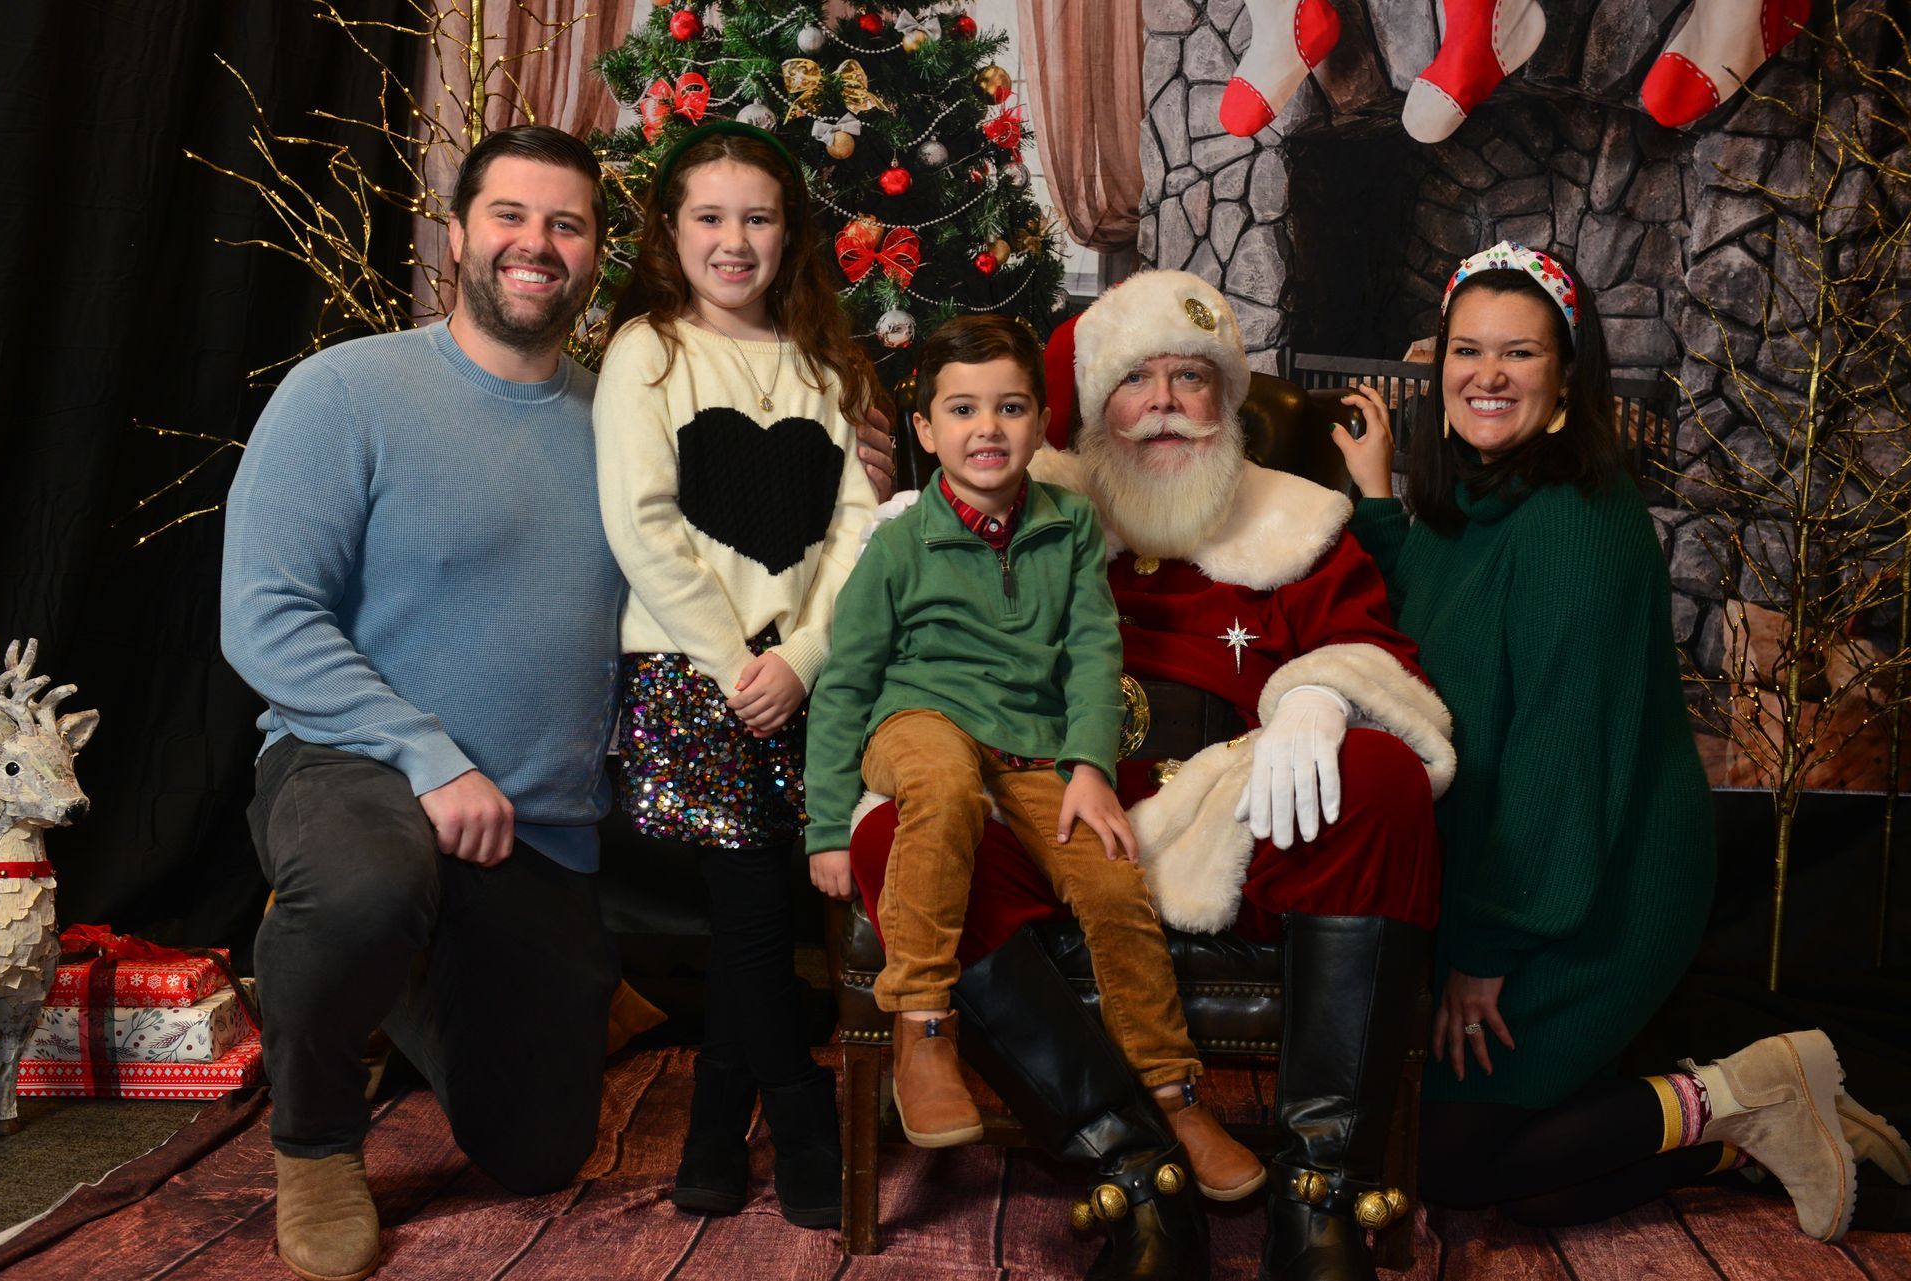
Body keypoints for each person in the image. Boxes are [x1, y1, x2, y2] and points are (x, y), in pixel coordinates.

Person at [850, 270, 1456, 1281]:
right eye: (1135, 379)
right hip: (1061, 830)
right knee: (891, 831)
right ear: (1089, 408)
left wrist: (1321, 692)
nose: (1165, 403)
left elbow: (1375, 653)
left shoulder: (1297, 526)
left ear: (1228, 400)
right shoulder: (1020, 513)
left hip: (1235, 830)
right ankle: (1138, 1173)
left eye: (1192, 377)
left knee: (1382, 775)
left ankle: (1319, 1196)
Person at [1330, 239, 1911, 1240]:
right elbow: (1423, 609)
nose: (1487, 374)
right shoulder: (1472, 494)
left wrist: (1485, 954)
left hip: (1597, 882)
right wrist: (1379, 496)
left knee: (1453, 1164)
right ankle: (1740, 1131)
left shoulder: (1574, 523)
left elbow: (1559, 767)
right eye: (1468, 349)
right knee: (1534, 1186)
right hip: (1524, 869)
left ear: (1566, 375)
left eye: (1519, 352)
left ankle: (1751, 1087)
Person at [221, 125, 625, 1281]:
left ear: (594, 256)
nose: (536, 244)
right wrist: (430, 757)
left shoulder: (623, 427)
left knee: (540, 1152)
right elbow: (264, 613)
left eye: (566, 224)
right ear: (458, 235)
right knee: (363, 886)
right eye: (510, 216)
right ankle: (315, 1139)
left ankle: (400, 972)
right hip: (353, 765)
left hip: (535, 829)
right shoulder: (348, 389)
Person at [805, 315, 1265, 1199]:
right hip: (918, 720)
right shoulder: (898, 544)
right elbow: (845, 683)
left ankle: (1173, 1095)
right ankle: (924, 1026)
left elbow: (1093, 653)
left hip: (1034, 749)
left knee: (1114, 880)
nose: (987, 428)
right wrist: (828, 826)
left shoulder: (1071, 525)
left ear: (1043, 421)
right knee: (942, 784)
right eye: (962, 410)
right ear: (925, 429)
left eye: (1010, 407)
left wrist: (1088, 765)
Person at [591, 119, 880, 1230]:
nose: (734, 240)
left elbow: (858, 528)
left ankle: (717, 1120)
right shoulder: (649, 352)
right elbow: (642, 522)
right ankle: (800, 1114)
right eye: (709, 217)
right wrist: (734, 662)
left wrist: (802, 658)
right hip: (686, 667)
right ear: (670, 231)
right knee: (755, 894)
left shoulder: (824, 364)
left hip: (803, 674)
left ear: (789, 231)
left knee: (761, 901)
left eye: (757, 218)